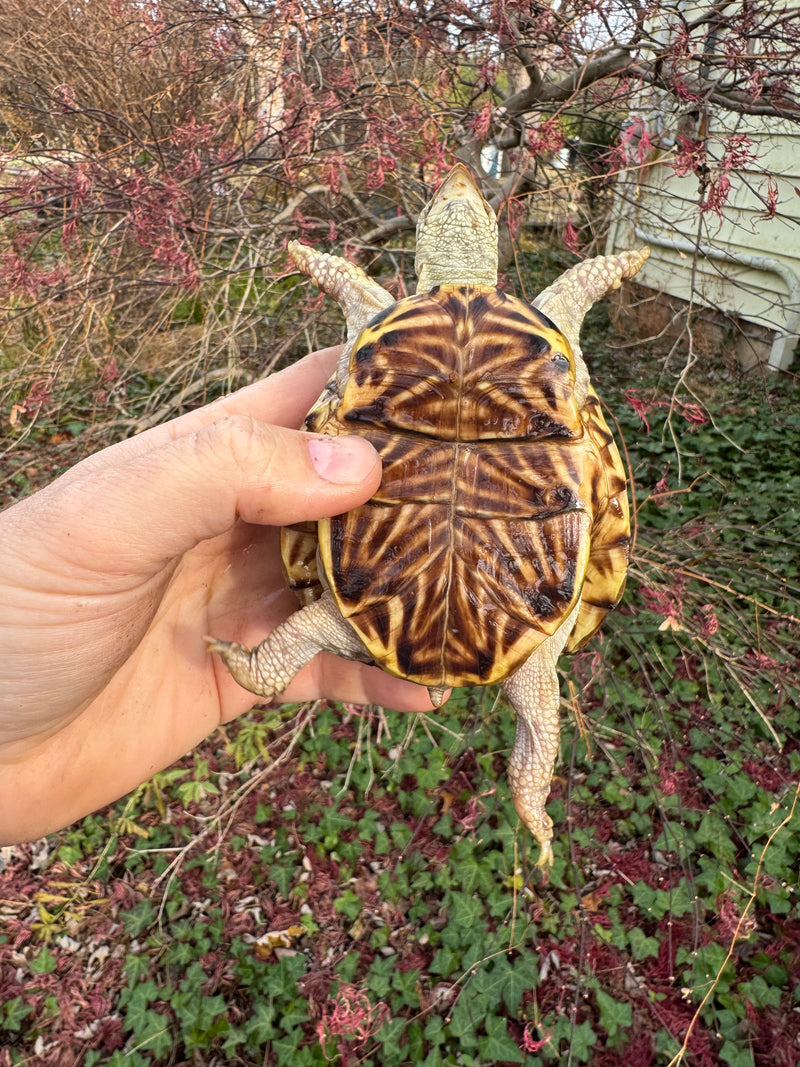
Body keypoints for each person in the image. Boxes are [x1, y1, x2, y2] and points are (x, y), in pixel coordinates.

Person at [0, 346, 436, 845]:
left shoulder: (386, 346)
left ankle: (266, 666)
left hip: (357, 583)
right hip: (397, 598)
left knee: (329, 617)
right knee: (331, 618)